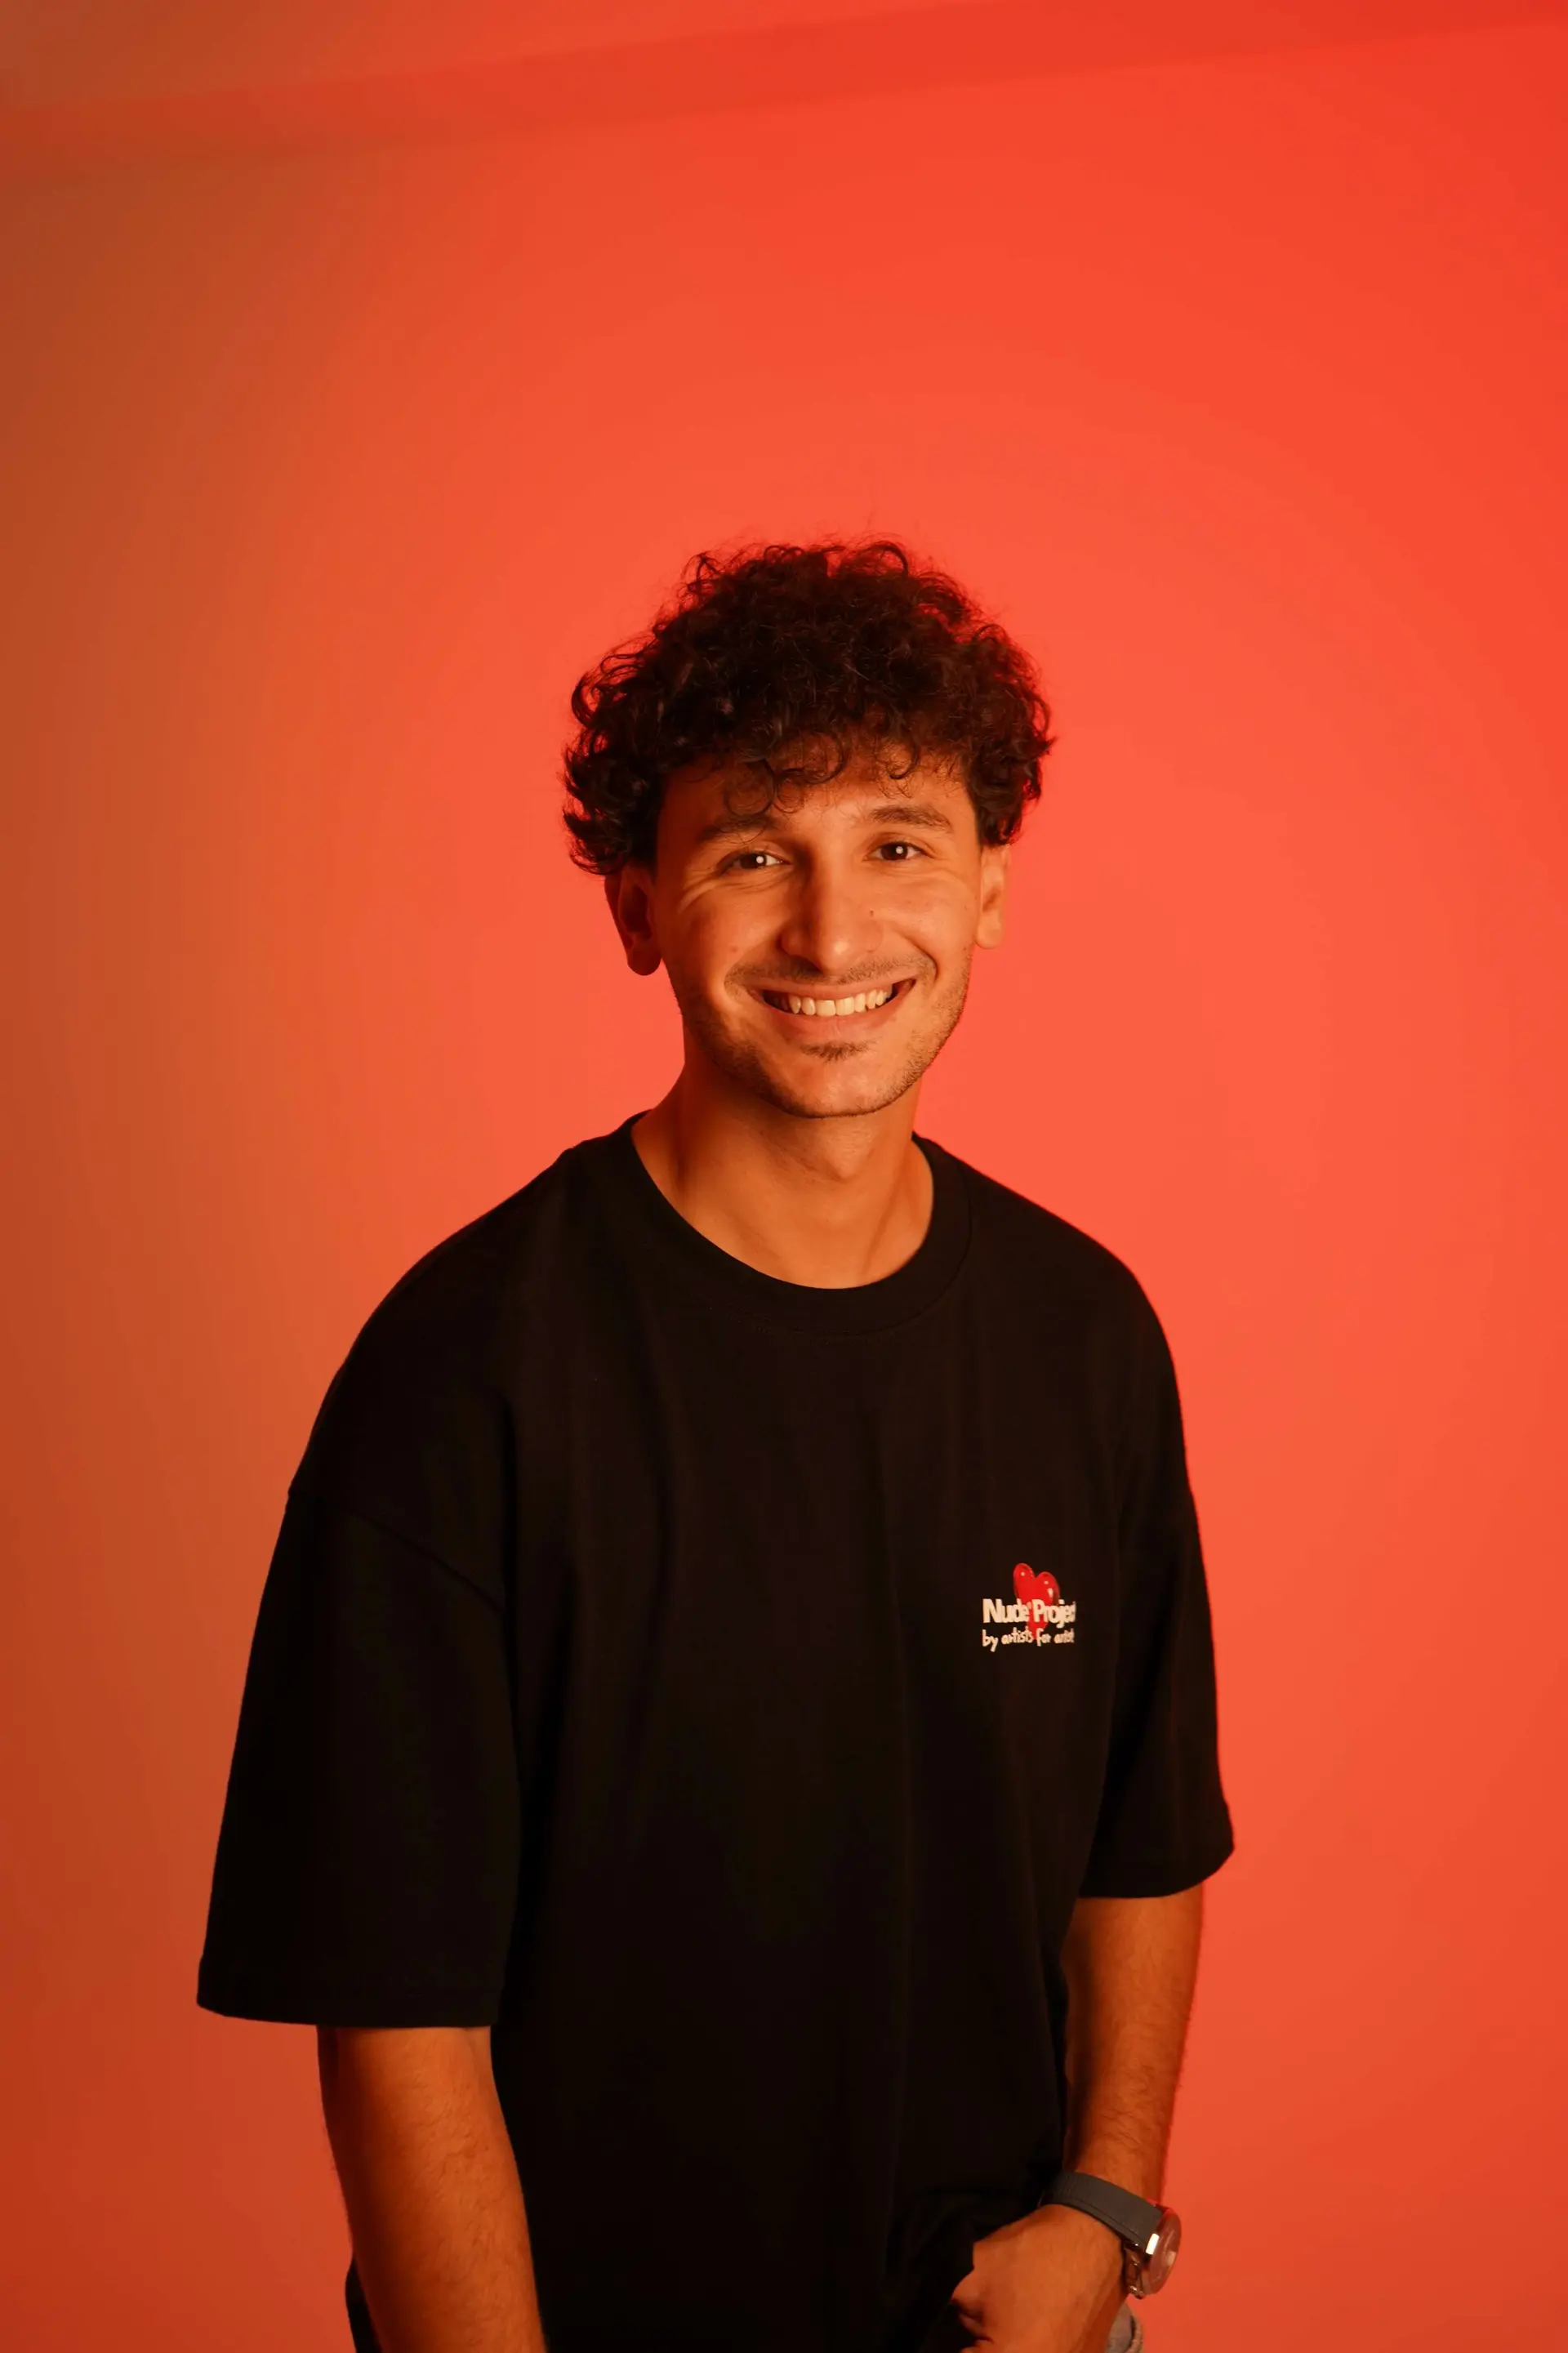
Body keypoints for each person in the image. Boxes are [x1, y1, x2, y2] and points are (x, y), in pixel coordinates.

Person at [197, 539, 1233, 2353]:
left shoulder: (1087, 1336)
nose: (833, 936)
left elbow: (1139, 1838)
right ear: (637, 907)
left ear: (991, 887)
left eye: (898, 845)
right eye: (755, 854)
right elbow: (396, 2019)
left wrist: (1107, 2206)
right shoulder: (462, 1374)